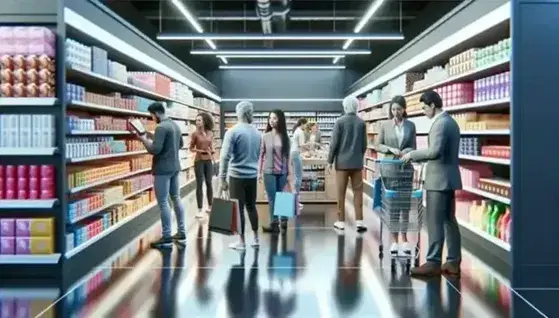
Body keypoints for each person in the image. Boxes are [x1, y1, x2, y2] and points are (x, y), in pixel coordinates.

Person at [401, 90, 462, 277]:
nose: (423, 111)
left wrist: (412, 154)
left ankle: (433, 262)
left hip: (438, 181)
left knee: (435, 222)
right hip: (449, 178)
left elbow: (434, 151)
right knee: (449, 220)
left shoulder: (440, 124)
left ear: (433, 106)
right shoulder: (451, 122)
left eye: (424, 108)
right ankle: (453, 261)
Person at [132, 102, 186, 249]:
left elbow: (155, 150)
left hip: (163, 169)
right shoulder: (174, 125)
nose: (152, 118)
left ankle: (167, 236)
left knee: (163, 202)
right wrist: (150, 134)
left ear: (155, 113)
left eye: (151, 115)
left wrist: (142, 139)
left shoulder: (161, 127)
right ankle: (181, 232)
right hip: (175, 167)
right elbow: (179, 144)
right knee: (176, 198)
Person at [376, 95, 417, 256]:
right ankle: (394, 241)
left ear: (404, 109)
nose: (396, 112)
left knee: (405, 205)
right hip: (390, 169)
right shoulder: (385, 125)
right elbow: (378, 144)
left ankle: (405, 239)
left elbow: (412, 146)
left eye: (399, 109)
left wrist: (405, 152)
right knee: (392, 205)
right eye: (393, 109)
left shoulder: (411, 126)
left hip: (406, 168)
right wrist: (389, 149)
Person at [219, 101, 262, 250]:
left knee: (239, 209)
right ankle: (256, 238)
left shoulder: (232, 132)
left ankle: (242, 242)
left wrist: (222, 178)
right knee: (251, 206)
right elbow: (257, 155)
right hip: (252, 176)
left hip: (236, 176)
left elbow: (224, 156)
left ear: (239, 113)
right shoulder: (257, 133)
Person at [327, 96, 367, 232]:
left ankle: (341, 221)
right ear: (357, 107)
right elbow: (364, 145)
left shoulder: (340, 122)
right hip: (357, 163)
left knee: (341, 193)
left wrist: (329, 161)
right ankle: (360, 221)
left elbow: (334, 144)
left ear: (345, 107)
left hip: (342, 164)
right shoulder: (361, 123)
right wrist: (358, 155)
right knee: (358, 192)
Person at [259, 109, 292, 233]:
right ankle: (274, 224)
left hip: (282, 171)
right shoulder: (265, 136)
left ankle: (284, 221)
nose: (271, 121)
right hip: (268, 172)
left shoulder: (285, 137)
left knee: (283, 197)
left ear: (280, 120)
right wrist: (259, 172)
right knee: (272, 198)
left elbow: (288, 156)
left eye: (275, 118)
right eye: (270, 118)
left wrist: (289, 173)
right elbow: (261, 155)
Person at [190, 112, 215, 218]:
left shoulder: (210, 133)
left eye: (199, 120)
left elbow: (211, 146)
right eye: (196, 120)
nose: (197, 122)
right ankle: (200, 209)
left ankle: (210, 206)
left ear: (204, 121)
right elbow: (191, 148)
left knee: (209, 183)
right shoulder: (195, 134)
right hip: (199, 160)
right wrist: (200, 150)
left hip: (209, 160)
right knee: (199, 184)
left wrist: (212, 150)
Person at [290, 118, 309, 212]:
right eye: (306, 124)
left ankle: (294, 201)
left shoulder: (296, 130)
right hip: (296, 154)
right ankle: (295, 202)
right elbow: (302, 145)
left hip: (293, 153)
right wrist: (310, 145)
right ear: (302, 124)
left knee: (295, 177)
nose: (307, 126)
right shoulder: (300, 132)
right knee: (298, 177)